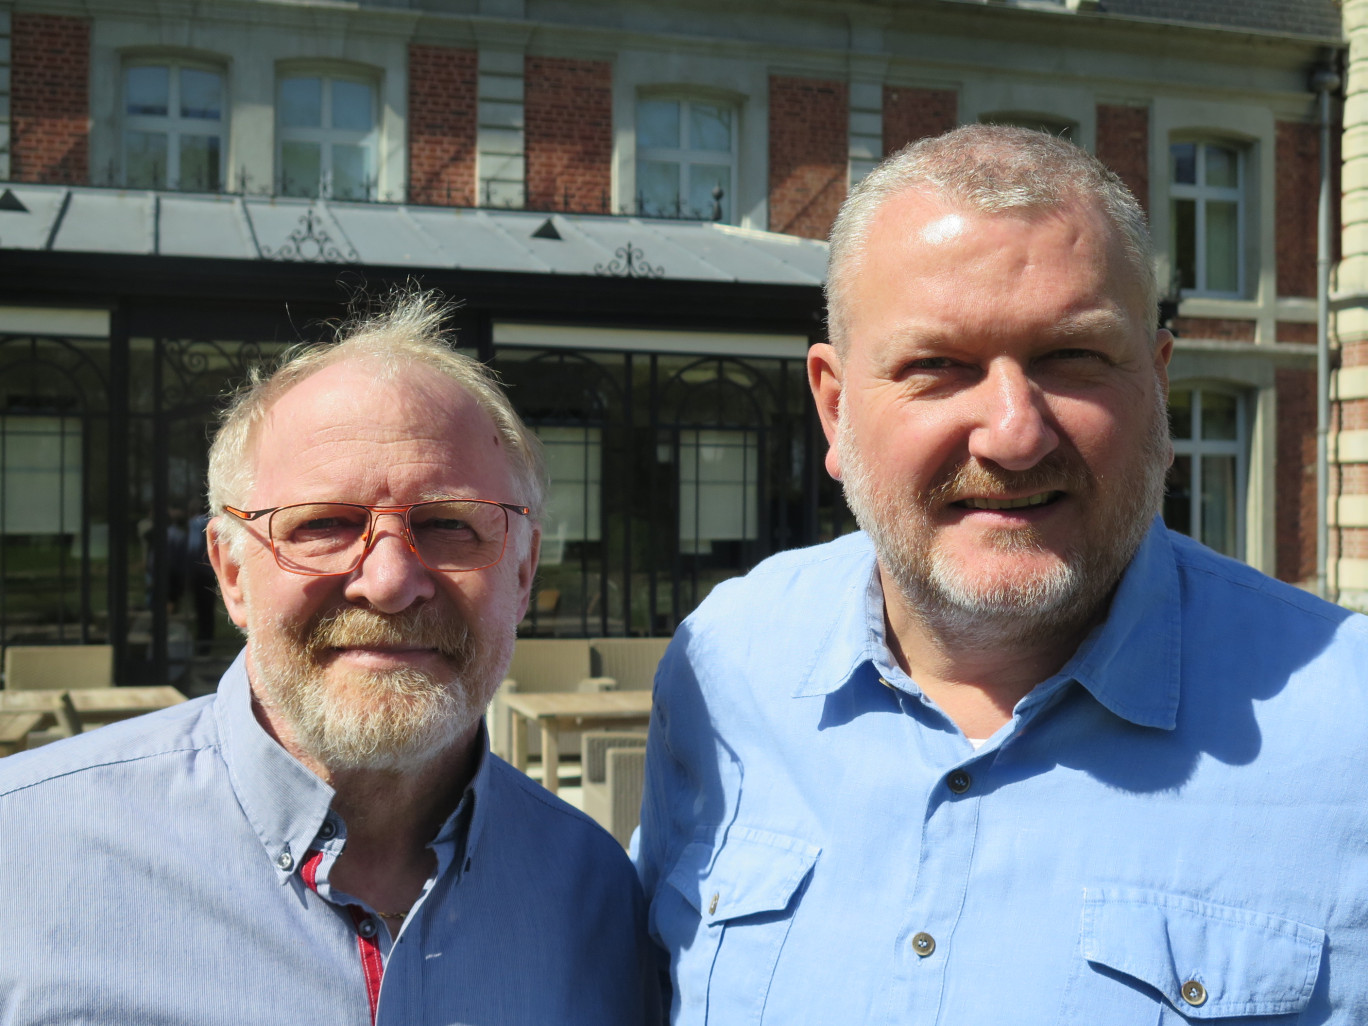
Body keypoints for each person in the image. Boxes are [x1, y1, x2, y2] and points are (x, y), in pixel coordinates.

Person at [634, 125, 1368, 1023]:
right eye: (938, 366)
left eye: (1073, 358)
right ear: (834, 408)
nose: (1014, 433)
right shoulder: (725, 664)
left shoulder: (1349, 728)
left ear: (1159, 385)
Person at [0, 294, 659, 1025]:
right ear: (230, 573)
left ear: (525, 573)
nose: (388, 581)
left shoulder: (595, 895)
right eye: (323, 525)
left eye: (448, 524)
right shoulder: (22, 853)